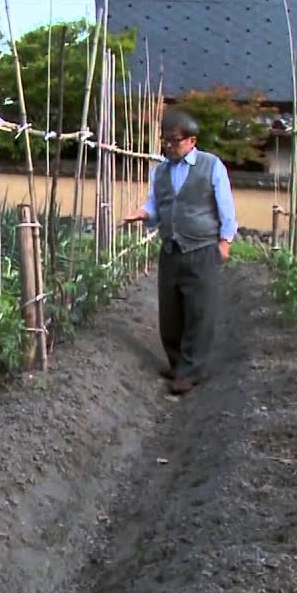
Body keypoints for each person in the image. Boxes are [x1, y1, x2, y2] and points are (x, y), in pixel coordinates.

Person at [122, 107, 239, 396]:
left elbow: (226, 207)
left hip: (201, 248)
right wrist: (141, 214)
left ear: (191, 140)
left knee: (200, 312)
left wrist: (225, 242)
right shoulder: (161, 171)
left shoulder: (211, 166)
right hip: (171, 249)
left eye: (174, 140)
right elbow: (156, 204)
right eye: (166, 140)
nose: (169, 146)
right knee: (171, 313)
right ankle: (177, 364)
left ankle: (191, 371)